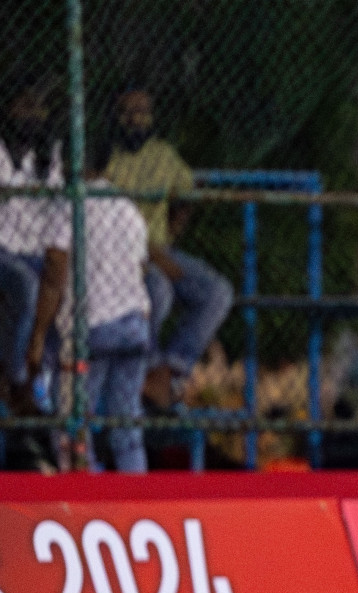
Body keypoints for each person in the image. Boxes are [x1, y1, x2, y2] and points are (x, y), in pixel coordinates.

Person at [105, 88, 232, 410]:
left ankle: (169, 369)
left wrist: (170, 237)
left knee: (217, 292)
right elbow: (105, 222)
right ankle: (144, 371)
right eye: (128, 112)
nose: (136, 120)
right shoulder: (105, 158)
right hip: (118, 254)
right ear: (116, 116)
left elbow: (187, 194)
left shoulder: (162, 155)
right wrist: (154, 255)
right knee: (158, 289)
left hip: (159, 250)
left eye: (143, 112)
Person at [27, 154, 153, 473]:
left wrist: (39, 335)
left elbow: (55, 268)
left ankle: (87, 498)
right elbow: (141, 267)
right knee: (127, 423)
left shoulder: (70, 204)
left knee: (72, 422)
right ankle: (136, 496)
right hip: (135, 321)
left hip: (92, 327)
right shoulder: (127, 206)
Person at [1, 78, 62, 410]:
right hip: (3, 252)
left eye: (39, 108)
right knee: (25, 285)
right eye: (25, 106)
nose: (32, 114)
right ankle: (16, 378)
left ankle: (45, 388)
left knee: (60, 290)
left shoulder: (49, 154)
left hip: (36, 252)